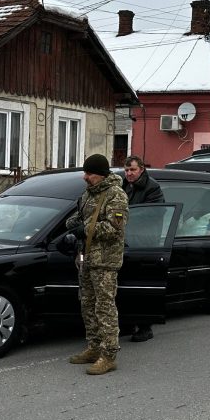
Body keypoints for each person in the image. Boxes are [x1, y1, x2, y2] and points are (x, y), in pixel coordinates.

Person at [66, 154, 129, 375]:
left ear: (101, 174)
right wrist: (72, 226)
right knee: (87, 305)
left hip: (105, 262)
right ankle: (94, 347)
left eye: (89, 173)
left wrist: (84, 230)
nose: (85, 177)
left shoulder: (116, 195)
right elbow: (79, 218)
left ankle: (109, 355)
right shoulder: (88, 194)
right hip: (87, 259)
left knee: (104, 308)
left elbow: (114, 228)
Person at [122, 155, 164, 343]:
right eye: (126, 170)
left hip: (145, 242)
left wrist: (123, 216)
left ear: (141, 169)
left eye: (132, 170)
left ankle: (145, 327)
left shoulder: (152, 187)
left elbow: (153, 212)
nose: (129, 173)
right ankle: (128, 323)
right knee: (125, 285)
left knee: (141, 286)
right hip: (127, 240)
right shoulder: (124, 185)